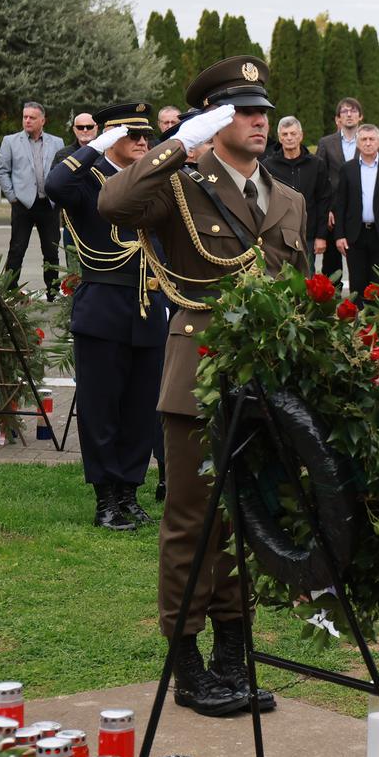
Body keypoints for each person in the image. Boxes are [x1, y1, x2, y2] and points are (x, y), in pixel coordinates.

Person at [98, 56, 308, 718]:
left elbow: (295, 290)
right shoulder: (181, 185)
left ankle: (230, 656)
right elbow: (113, 201)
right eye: (241, 112)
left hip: (265, 379)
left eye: (261, 111)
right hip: (200, 375)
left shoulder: (288, 199)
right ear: (215, 120)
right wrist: (177, 144)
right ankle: (187, 663)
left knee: (245, 520)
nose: (257, 121)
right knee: (193, 520)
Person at [47, 102, 167, 531]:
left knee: (140, 409)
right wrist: (95, 145)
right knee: (101, 409)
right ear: (111, 138)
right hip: (104, 307)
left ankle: (129, 494)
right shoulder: (86, 179)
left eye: (146, 136)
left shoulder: (153, 182)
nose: (142, 142)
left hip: (151, 307)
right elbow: (55, 184)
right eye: (132, 135)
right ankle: (105, 499)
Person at [0, 101, 66, 297]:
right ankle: (9, 290)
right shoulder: (10, 141)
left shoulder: (57, 142)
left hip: (49, 204)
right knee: (17, 249)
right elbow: (1, 171)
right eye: (25, 117)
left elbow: (61, 171)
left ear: (42, 120)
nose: (27, 120)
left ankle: (53, 291)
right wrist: (12, 196)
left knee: (52, 251)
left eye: (32, 117)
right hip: (22, 205)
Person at [334, 124, 379, 294]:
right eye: (363, 139)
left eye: (371, 139)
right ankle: (358, 320)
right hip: (355, 235)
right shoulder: (347, 169)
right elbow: (341, 204)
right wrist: (340, 235)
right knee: (357, 284)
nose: (367, 143)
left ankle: (378, 321)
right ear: (357, 144)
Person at [264, 116, 327, 266]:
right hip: (279, 234)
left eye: (293, 133)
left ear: (301, 136)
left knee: (307, 279)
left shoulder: (316, 165)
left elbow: (323, 200)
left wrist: (321, 236)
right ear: (279, 138)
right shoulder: (268, 165)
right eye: (285, 134)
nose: (289, 138)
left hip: (309, 234)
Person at [315, 97, 363, 280]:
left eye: (353, 111)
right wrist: (326, 209)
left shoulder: (368, 141)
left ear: (360, 116)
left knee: (359, 263)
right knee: (331, 267)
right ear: (338, 118)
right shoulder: (326, 143)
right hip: (333, 214)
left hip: (360, 212)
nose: (349, 114)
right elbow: (320, 180)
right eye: (344, 111)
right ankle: (330, 305)